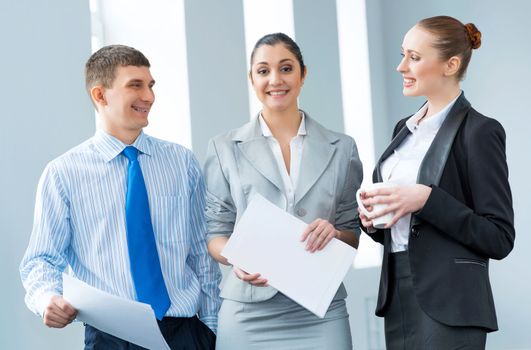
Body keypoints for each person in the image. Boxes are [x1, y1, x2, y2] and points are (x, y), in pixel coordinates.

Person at [20, 45, 221, 350]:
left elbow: (201, 255)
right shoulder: (63, 173)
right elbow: (41, 260)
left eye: (150, 85)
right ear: (100, 95)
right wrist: (48, 298)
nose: (149, 97)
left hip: (185, 334)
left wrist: (212, 332)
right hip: (110, 338)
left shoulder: (182, 162)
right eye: (135, 85)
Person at [359, 16, 515, 349]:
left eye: (414, 57)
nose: (401, 66)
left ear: (451, 64)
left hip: (451, 303)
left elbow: (499, 237)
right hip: (397, 294)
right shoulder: (404, 129)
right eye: (403, 54)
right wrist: (373, 221)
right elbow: (405, 228)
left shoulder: (480, 132)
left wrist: (426, 200)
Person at [203, 32, 363, 350]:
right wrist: (237, 257)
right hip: (248, 311)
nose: (275, 79)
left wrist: (334, 233)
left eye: (286, 68)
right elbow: (215, 235)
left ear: (303, 75)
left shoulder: (342, 148)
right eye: (263, 71)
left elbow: (352, 232)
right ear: (252, 79)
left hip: (321, 310)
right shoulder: (224, 148)